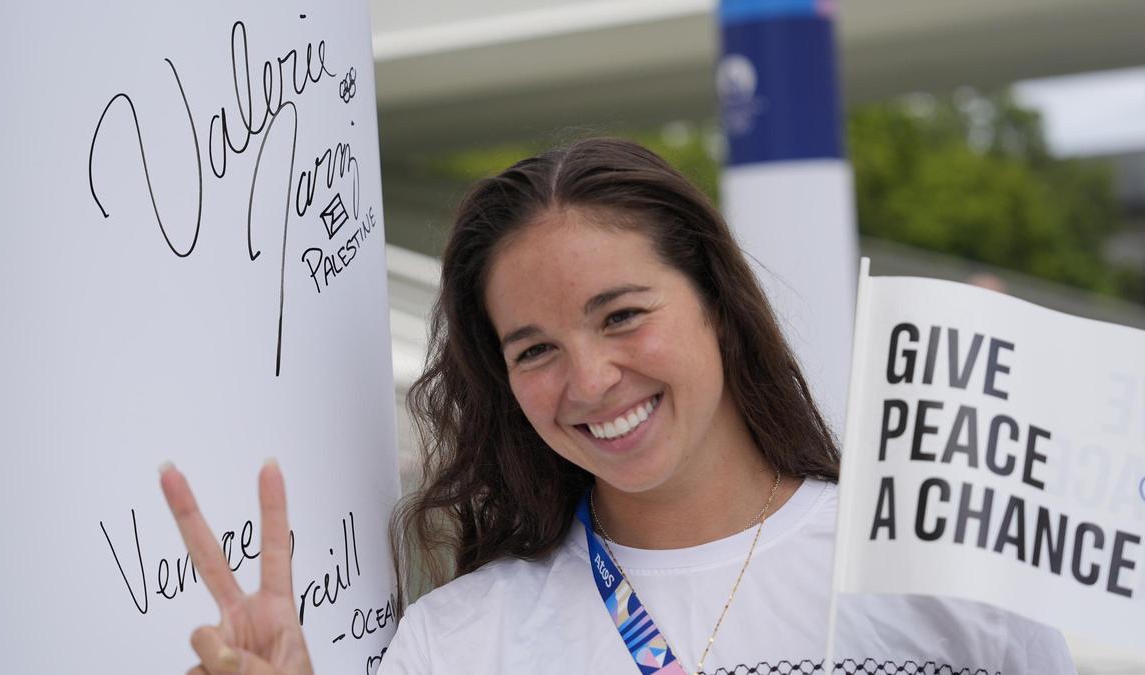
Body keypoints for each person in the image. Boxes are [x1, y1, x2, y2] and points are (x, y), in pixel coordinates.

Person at [160, 138, 1075, 674]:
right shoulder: (465, 640)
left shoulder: (939, 574)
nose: (591, 380)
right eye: (537, 350)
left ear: (715, 300)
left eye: (624, 315)